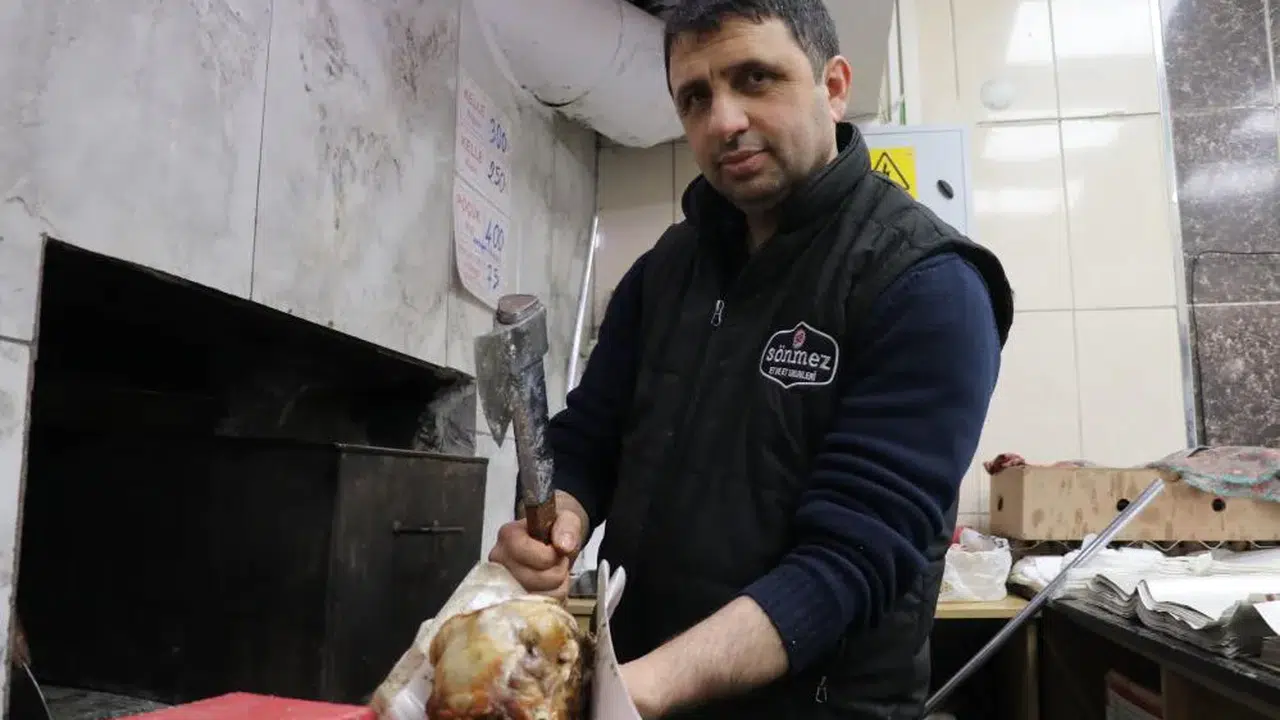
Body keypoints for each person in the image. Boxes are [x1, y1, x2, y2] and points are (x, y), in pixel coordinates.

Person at [488, 0, 1015, 717]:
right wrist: (559, 523)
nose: (723, 120)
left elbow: (852, 560)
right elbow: (587, 441)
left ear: (834, 87)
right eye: (694, 98)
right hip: (637, 686)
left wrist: (627, 692)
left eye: (755, 79)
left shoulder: (925, 283)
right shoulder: (666, 270)